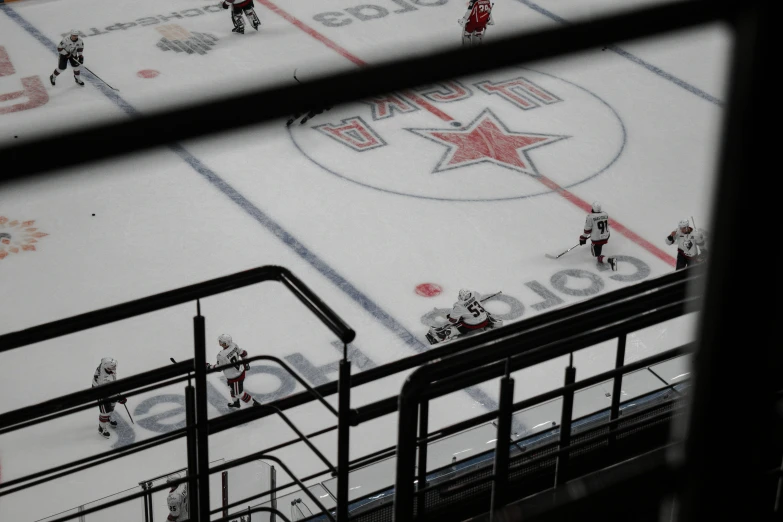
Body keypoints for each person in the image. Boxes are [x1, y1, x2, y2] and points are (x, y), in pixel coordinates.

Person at [426, 289, 502, 344]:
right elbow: (477, 300)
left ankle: (444, 335)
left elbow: (453, 320)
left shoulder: (459, 306)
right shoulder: (475, 294)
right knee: (483, 312)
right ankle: (492, 322)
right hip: (484, 321)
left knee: (455, 326)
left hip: (473, 325)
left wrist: (448, 317)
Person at [208, 334, 261, 409]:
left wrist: (209, 366)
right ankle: (236, 403)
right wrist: (246, 364)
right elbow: (244, 353)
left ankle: (256, 405)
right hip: (240, 371)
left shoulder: (221, 355)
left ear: (225, 343)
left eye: (221, 341)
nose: (219, 342)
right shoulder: (234, 345)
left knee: (239, 394)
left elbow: (219, 368)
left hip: (235, 376)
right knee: (233, 390)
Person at [92, 358, 126, 439]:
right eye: (111, 367)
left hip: (107, 389)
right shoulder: (105, 379)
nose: (114, 368)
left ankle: (107, 419)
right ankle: (101, 428)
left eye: (114, 366)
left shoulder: (104, 365)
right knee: (105, 411)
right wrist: (119, 398)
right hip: (101, 393)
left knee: (112, 405)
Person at [580, 201, 618, 271]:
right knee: (600, 244)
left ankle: (610, 260)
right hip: (606, 236)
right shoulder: (605, 214)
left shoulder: (590, 217)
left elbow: (587, 230)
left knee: (596, 255)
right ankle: (599, 247)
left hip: (597, 239)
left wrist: (583, 238)